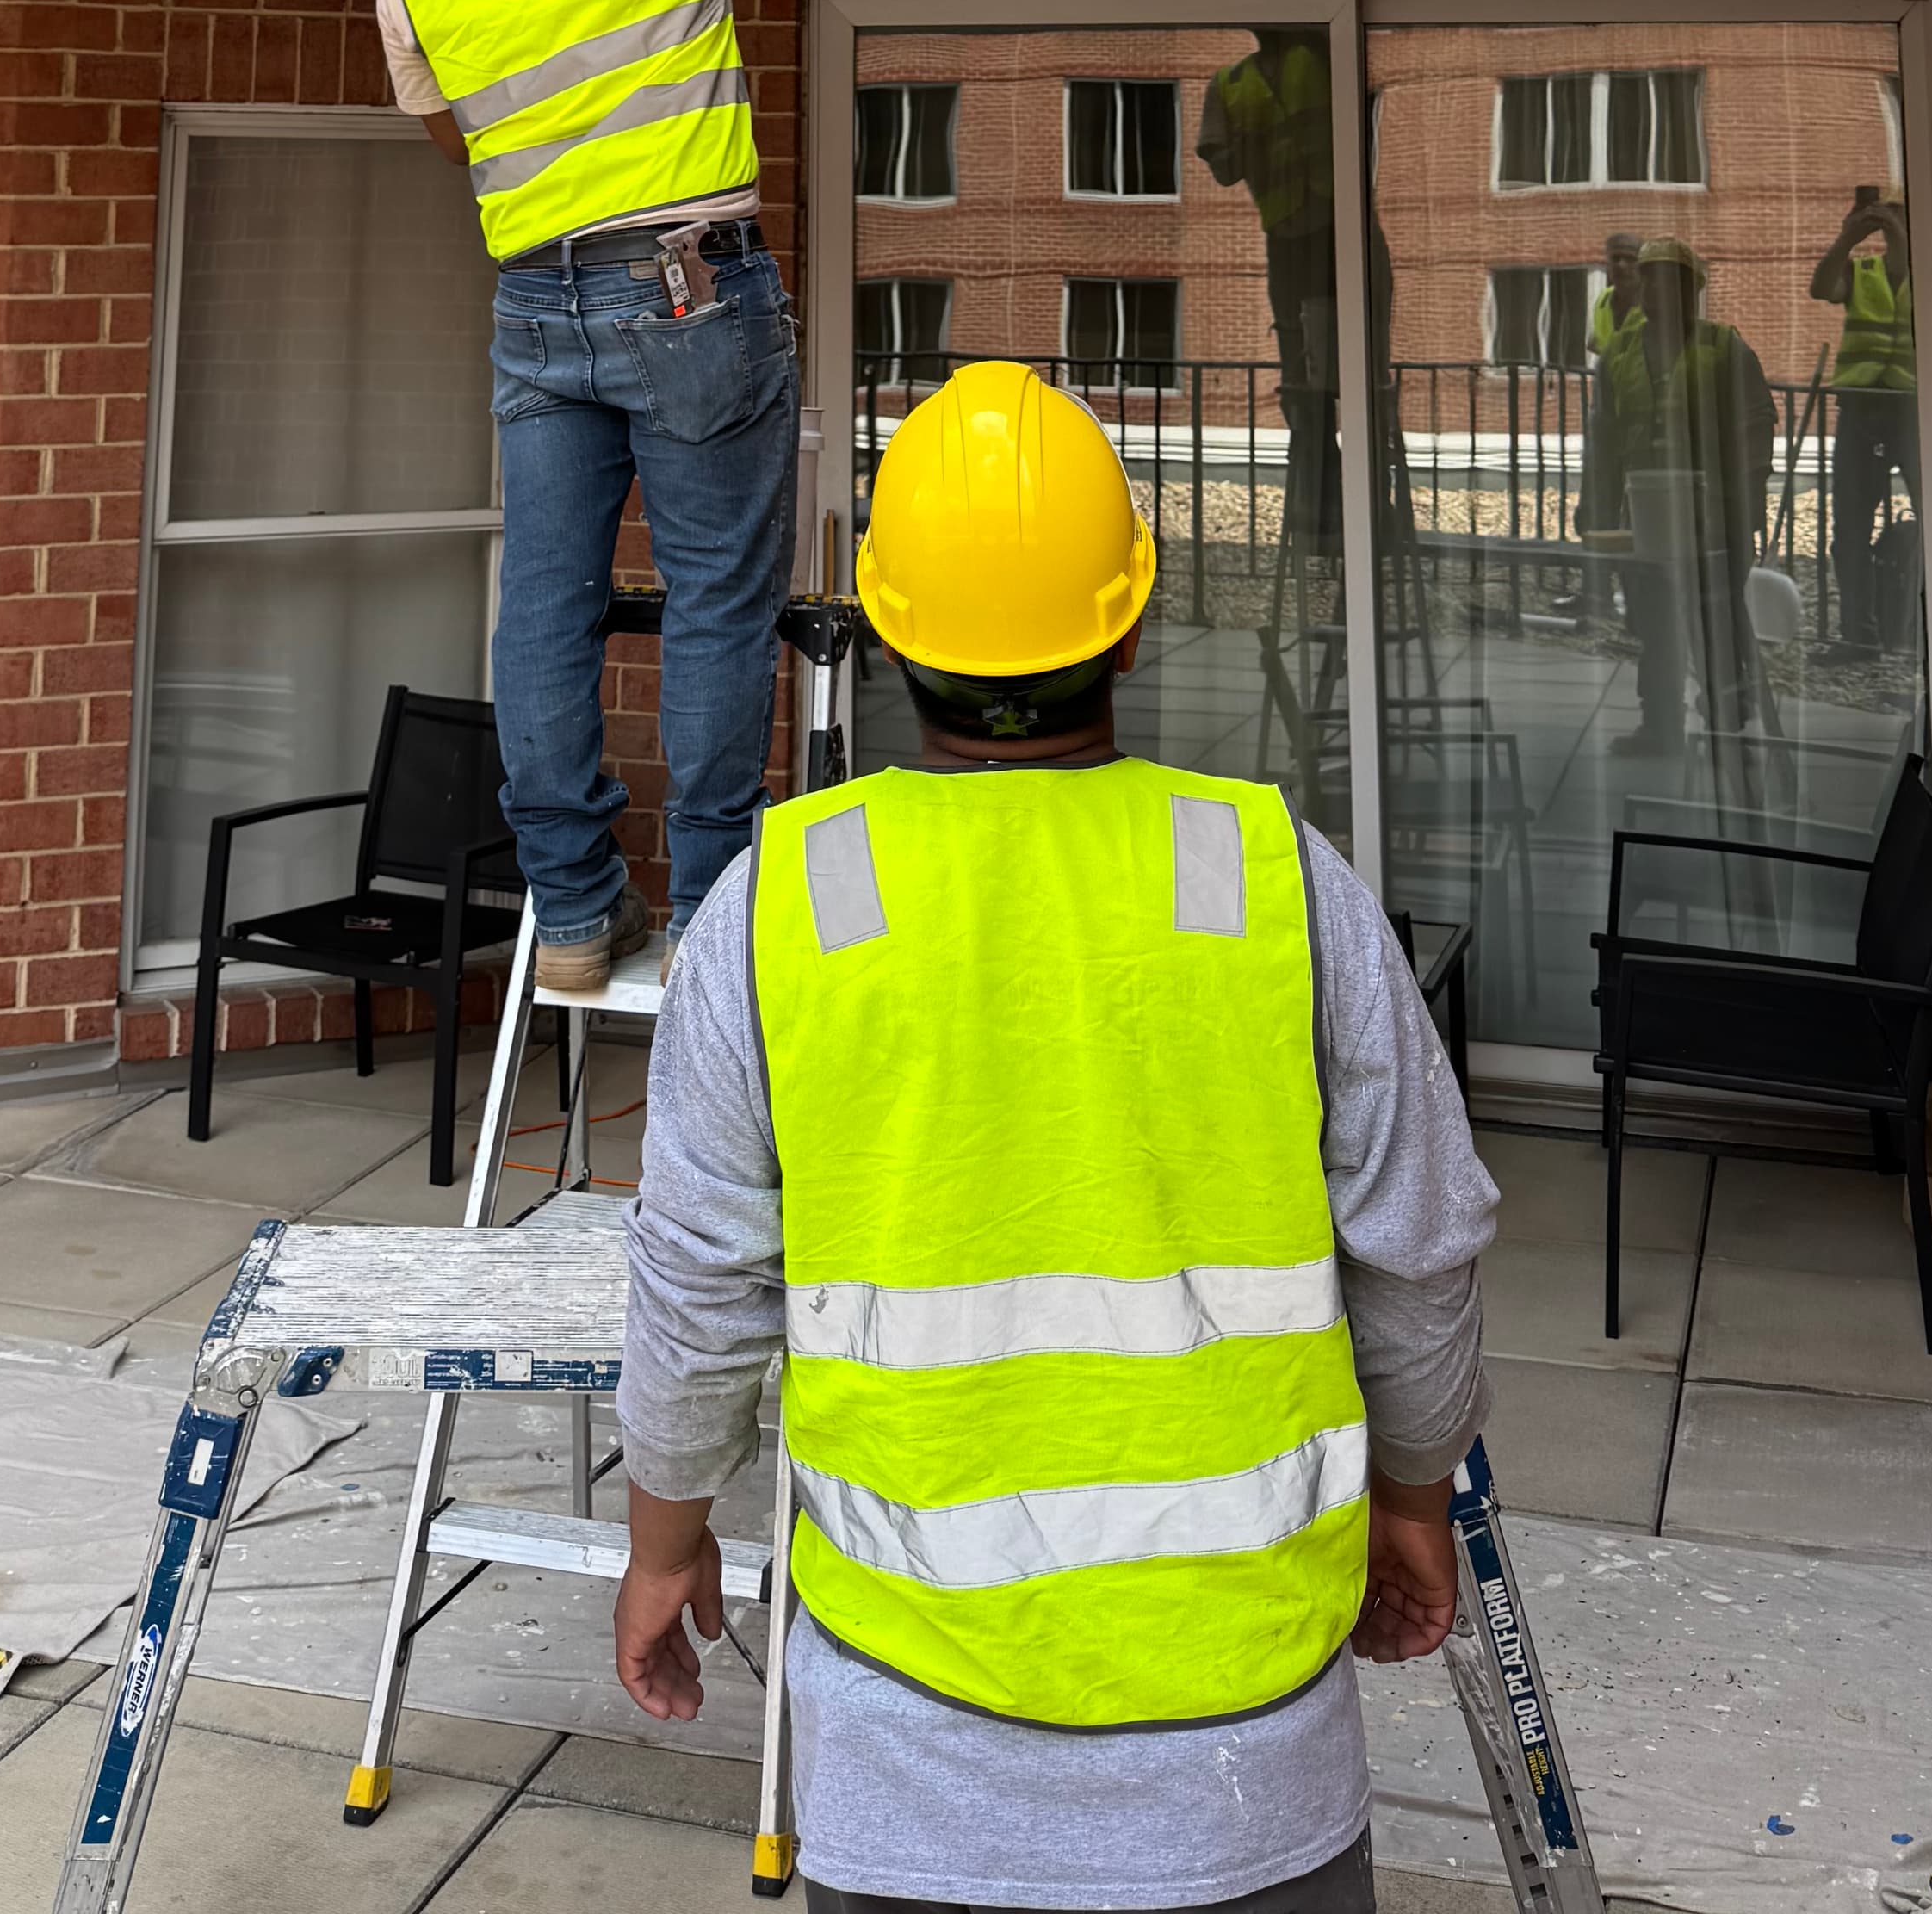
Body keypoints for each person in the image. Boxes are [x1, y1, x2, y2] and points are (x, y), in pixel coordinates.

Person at [613, 362, 1498, 1914]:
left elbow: (698, 1284)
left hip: (912, 1764)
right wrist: (1413, 1503)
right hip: (1250, 1764)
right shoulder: (1273, 876)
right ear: (1134, 624)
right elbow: (1421, 1247)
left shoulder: (788, 906)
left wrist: (664, 1532)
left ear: (885, 632)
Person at [379, 0, 798, 997]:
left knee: (547, 610)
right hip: (685, 280)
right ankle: (713, 922)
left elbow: (451, 140)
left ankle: (570, 913)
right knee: (719, 603)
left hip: (536, 303)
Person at [1576, 234, 1773, 755]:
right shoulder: (1618, 352)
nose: (1660, 290)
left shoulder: (1723, 345)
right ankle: (1660, 727)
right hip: (1646, 516)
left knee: (1717, 620)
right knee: (1656, 625)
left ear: (1691, 290)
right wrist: (1591, 510)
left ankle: (1727, 720)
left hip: (1716, 515)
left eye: (1673, 281)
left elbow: (1757, 425)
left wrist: (1747, 504)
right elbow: (1603, 440)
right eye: (1652, 279)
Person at [1196, 29, 1342, 551]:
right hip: (1290, 238)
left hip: (1339, 237)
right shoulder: (1232, 83)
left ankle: (1335, 498)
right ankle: (1322, 496)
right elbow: (1223, 168)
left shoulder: (1327, 55)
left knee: (1343, 377)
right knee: (1305, 384)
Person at [1809, 189, 1919, 656]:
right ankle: (1860, 635)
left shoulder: (1931, 273)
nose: (1885, 220)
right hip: (1861, 411)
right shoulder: (1862, 273)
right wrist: (1846, 239)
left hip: (1915, 412)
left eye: (1896, 214)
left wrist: (1901, 236)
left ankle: (1919, 629)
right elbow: (1820, 288)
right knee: (1850, 529)